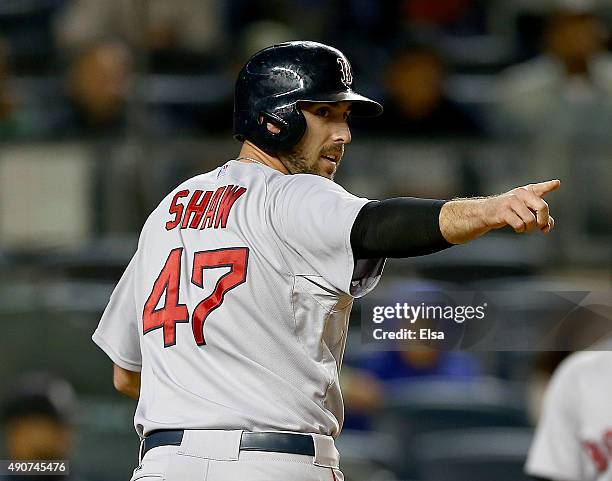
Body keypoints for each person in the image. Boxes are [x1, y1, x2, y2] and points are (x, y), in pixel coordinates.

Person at [92, 41, 559, 481]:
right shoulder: (291, 194)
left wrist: (204, 402)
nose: (344, 133)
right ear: (274, 119)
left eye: (344, 115)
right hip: (270, 463)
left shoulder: (169, 211)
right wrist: (488, 210)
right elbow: (378, 225)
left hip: (163, 466)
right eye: (324, 114)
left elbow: (126, 373)